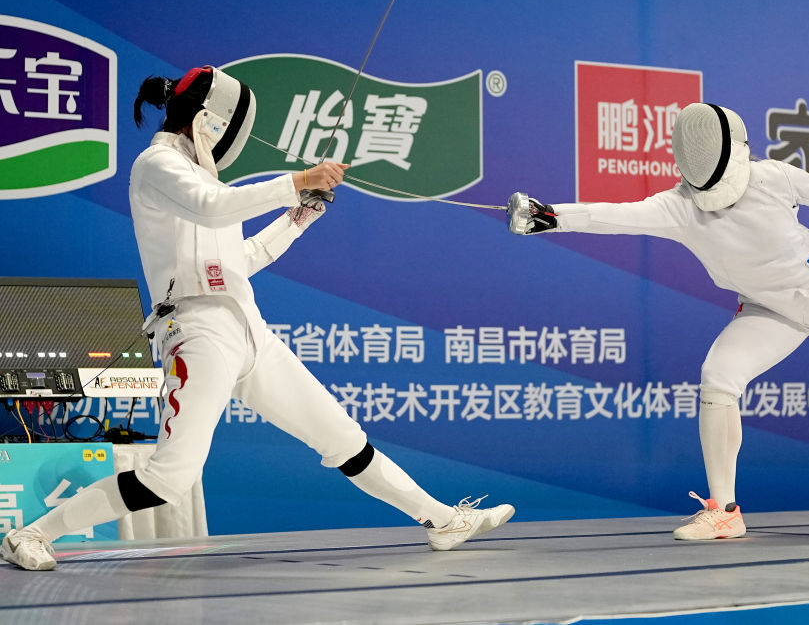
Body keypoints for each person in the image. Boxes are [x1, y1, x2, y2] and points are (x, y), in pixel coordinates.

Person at [1, 66, 513, 571]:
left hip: (249, 330)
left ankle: (442, 520)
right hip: (196, 334)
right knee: (169, 478)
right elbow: (211, 206)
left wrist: (297, 218)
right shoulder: (157, 165)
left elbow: (237, 260)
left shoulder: (204, 179)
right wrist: (296, 181)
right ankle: (31, 534)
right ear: (207, 121)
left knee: (342, 436)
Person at [509, 102, 809, 540]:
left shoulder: (771, 177)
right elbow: (612, 216)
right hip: (769, 309)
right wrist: (549, 216)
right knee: (718, 376)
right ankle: (723, 512)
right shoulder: (680, 207)